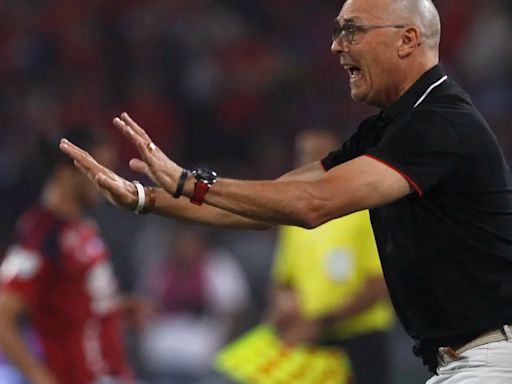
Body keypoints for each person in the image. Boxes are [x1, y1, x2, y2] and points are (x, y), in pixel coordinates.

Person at [60, 0, 512, 382]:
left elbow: (313, 204)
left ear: (407, 39)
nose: (336, 46)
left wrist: (188, 181)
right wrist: (147, 198)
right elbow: (269, 203)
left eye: (351, 31)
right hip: (460, 360)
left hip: (489, 359)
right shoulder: (388, 130)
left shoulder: (439, 123)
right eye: (337, 32)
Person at [0, 128, 144, 384]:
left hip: (113, 374)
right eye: (97, 170)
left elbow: (71, 304)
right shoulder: (43, 235)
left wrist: (114, 308)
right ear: (65, 173)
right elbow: (3, 314)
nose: (108, 179)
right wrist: (38, 376)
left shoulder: (84, 228)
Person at [267, 129, 394, 384]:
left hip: (360, 340)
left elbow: (379, 284)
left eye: (317, 157)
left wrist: (322, 321)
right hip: (313, 342)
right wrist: (282, 308)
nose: (308, 164)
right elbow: (283, 281)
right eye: (302, 156)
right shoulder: (293, 221)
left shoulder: (363, 211)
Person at [137, 225, 249, 384]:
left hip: (202, 340)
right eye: (180, 240)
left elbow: (234, 310)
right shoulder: (159, 265)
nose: (184, 245)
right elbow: (145, 304)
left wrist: (224, 344)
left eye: (190, 240)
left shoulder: (217, 265)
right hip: (163, 345)